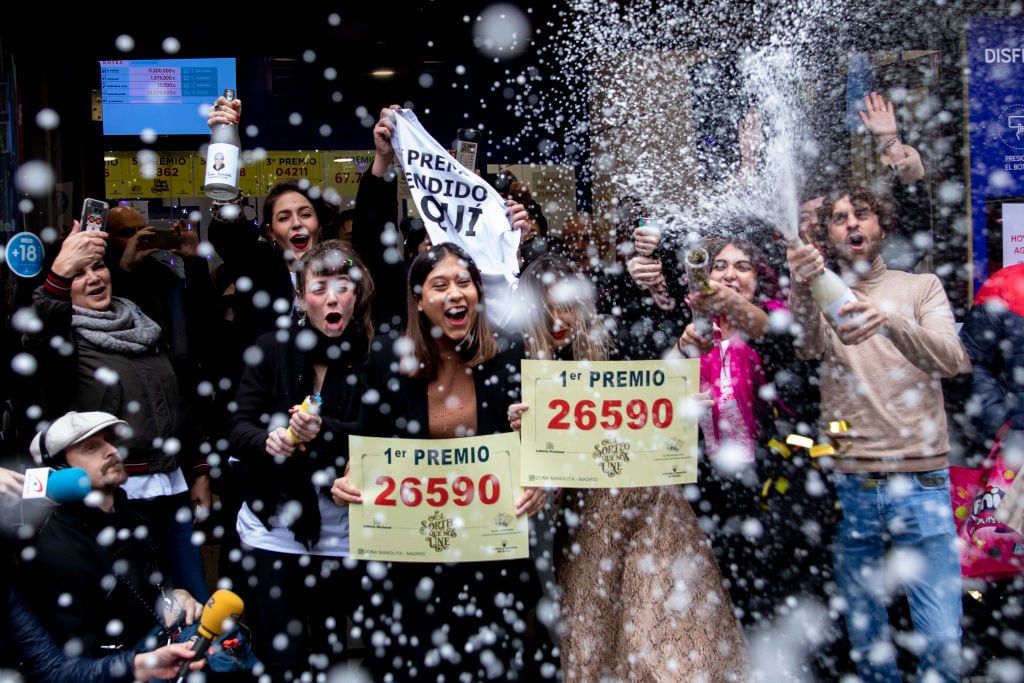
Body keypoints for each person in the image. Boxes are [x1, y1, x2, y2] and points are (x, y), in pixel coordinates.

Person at [508, 253, 749, 682]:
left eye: (564, 306)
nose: (557, 319)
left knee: (664, 632)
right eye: (545, 309)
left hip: (651, 506)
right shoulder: (517, 365)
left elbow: (657, 383)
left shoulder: (613, 339)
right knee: (593, 635)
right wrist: (520, 434)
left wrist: (676, 406)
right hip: (583, 521)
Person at [331, 243, 556, 681]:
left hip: (490, 559)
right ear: (418, 300)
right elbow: (368, 445)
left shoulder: (509, 355)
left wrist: (537, 480)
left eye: (463, 282)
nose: (455, 293)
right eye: (440, 285)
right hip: (411, 563)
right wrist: (348, 481)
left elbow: (537, 448)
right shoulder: (385, 361)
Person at [786, 178, 967, 682]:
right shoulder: (825, 291)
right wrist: (802, 283)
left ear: (882, 224)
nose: (851, 224)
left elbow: (953, 359)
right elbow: (803, 346)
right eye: (840, 219)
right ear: (831, 236)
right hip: (854, 483)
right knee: (868, 643)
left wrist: (889, 321)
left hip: (923, 480)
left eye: (860, 214)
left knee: (941, 639)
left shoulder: (920, 287)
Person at [20, 226, 211, 601]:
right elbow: (41, 333)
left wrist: (199, 471)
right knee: (139, 611)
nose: (93, 278)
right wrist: (57, 275)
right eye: (78, 273)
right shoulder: (63, 342)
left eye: (98, 267)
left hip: (170, 490)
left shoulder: (145, 324)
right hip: (112, 497)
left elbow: (180, 404)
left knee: (195, 606)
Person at [228, 239, 375, 681]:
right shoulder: (272, 349)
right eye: (319, 288)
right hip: (274, 527)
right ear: (300, 297)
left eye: (343, 286)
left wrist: (326, 432)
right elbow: (238, 427)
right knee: (285, 658)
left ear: (357, 296)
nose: (332, 298)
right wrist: (267, 440)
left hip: (344, 531)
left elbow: (380, 436)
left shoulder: (373, 356)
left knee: (331, 652)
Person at [15, 410, 205, 658]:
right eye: (92, 447)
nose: (112, 451)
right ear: (59, 469)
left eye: (110, 441)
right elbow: (77, 655)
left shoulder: (129, 516)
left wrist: (175, 596)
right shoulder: (54, 544)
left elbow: (151, 589)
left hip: (157, 647)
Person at [957, 261, 1024, 674]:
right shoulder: (1008, 284)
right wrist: (1002, 420)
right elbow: (972, 361)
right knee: (1008, 566)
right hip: (1018, 452)